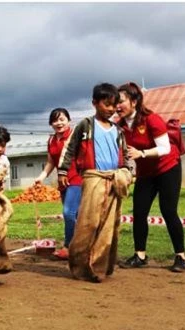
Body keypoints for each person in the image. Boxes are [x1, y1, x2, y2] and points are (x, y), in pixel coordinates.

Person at [58, 83, 132, 283]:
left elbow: (126, 153)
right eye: (106, 104)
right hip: (93, 178)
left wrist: (128, 172)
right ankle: (79, 264)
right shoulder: (85, 125)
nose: (110, 108)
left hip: (114, 178)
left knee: (109, 225)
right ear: (95, 103)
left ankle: (99, 267)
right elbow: (70, 148)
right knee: (88, 222)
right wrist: (63, 170)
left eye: (113, 105)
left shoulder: (118, 130)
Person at [116, 82, 185, 273]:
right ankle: (140, 255)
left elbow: (164, 148)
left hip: (168, 168)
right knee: (139, 212)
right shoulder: (121, 125)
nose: (117, 105)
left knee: (168, 211)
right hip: (146, 173)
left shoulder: (151, 119)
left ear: (134, 101)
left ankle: (180, 256)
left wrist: (142, 153)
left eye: (120, 101)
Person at [34, 108, 82, 260]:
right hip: (62, 184)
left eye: (62, 119)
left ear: (69, 121)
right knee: (77, 215)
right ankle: (82, 247)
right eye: (55, 120)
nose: (59, 123)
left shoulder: (76, 136)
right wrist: (41, 177)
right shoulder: (51, 140)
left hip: (77, 180)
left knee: (69, 213)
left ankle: (69, 246)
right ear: (50, 124)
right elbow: (50, 162)